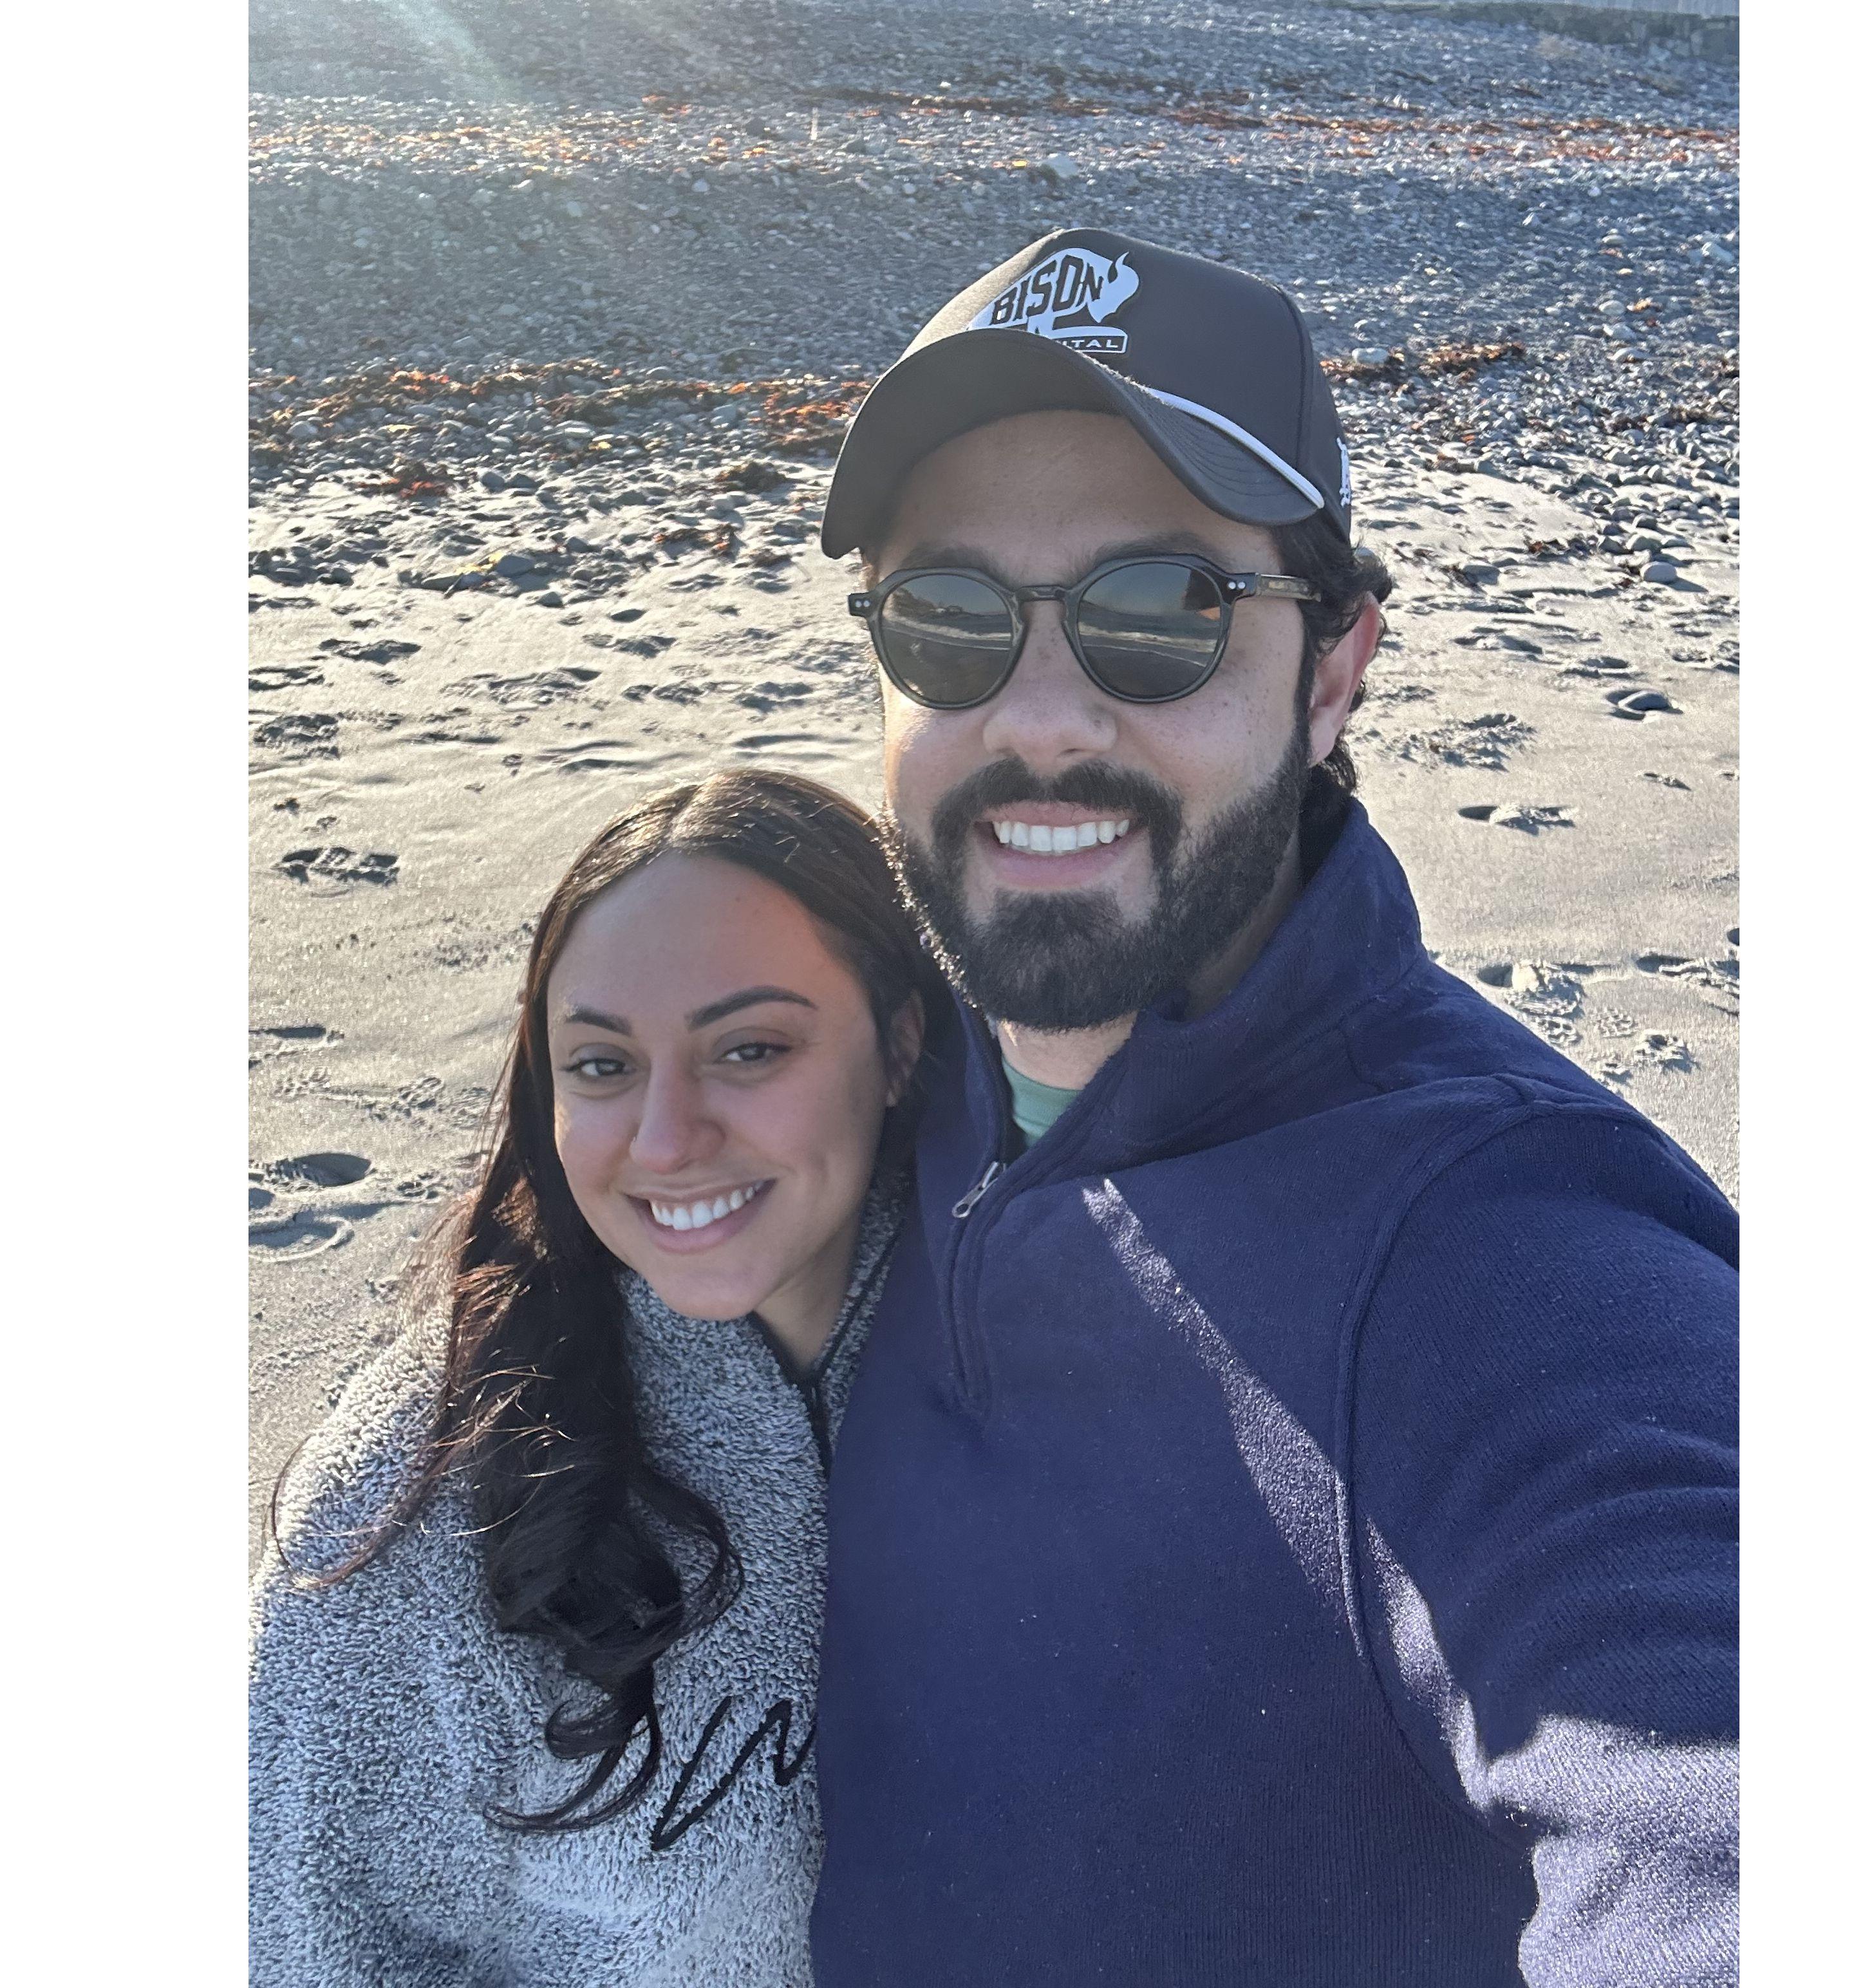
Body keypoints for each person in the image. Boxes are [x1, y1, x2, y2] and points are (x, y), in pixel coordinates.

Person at [809, 230, 1739, 1985]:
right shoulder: (846, 1076)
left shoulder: (1501, 1260)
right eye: (951, 618)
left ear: (1333, 672)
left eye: (1158, 615)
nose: (1045, 718)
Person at [250, 769, 938, 1987]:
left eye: (750, 1048)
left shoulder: (1075, 1357)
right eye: (604, 1067)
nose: (666, 1141)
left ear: (899, 1045)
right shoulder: (408, 1506)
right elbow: (298, 1935)